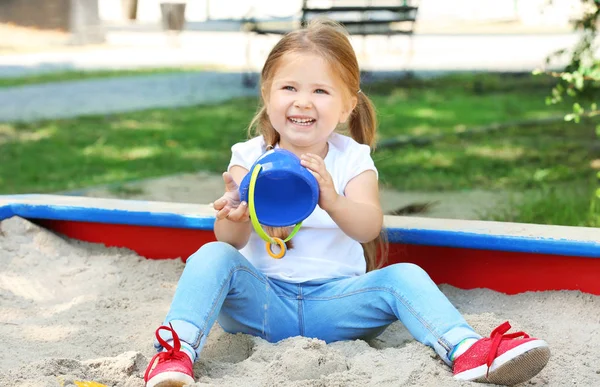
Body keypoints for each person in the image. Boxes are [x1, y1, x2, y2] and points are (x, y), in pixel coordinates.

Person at [143, 18, 550, 387]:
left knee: (402, 276)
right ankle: (175, 353)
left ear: (346, 106)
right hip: (262, 303)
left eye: (320, 90)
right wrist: (239, 211)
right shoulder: (249, 156)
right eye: (289, 88)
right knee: (211, 255)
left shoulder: (352, 158)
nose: (303, 101)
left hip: (335, 306)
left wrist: (332, 199)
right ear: (267, 95)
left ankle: (467, 350)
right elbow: (227, 240)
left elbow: (367, 227)